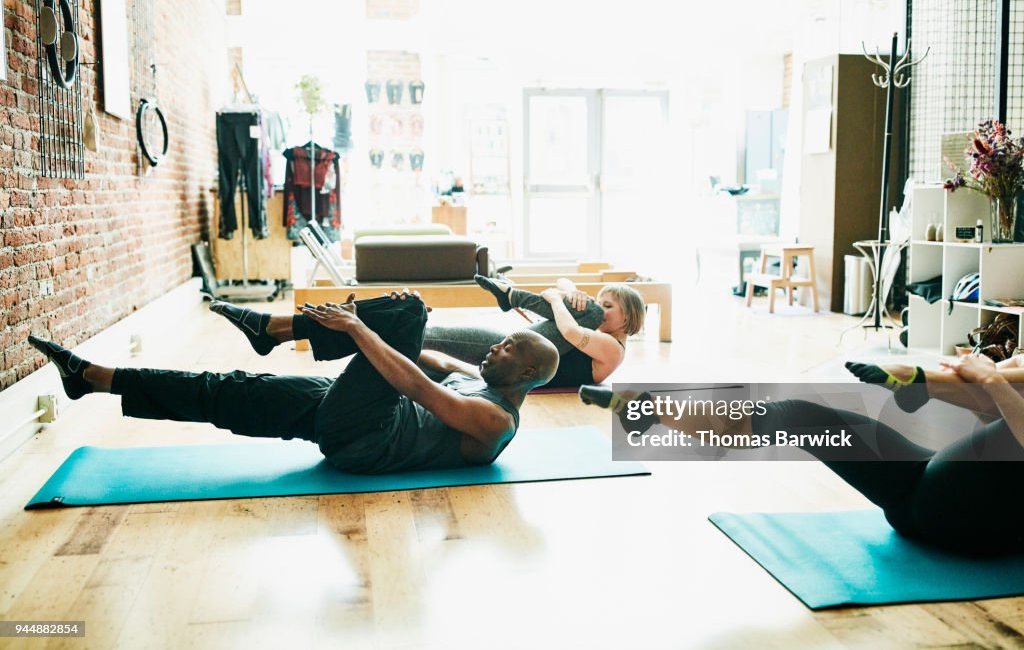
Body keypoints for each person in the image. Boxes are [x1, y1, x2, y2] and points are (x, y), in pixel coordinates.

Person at [28, 293, 559, 475]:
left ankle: (273, 329)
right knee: (228, 389)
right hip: (357, 418)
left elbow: (418, 387)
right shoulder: (478, 378)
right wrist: (370, 336)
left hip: (367, 441)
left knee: (411, 308)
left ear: (528, 375)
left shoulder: (495, 421)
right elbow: (428, 359)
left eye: (509, 348)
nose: (495, 347)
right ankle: (90, 378)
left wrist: (357, 327)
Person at [579, 352, 1024, 555]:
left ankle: (914, 381)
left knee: (795, 415)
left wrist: (991, 379)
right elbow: (995, 416)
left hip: (948, 511)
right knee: (795, 415)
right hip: (929, 485)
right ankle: (646, 409)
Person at [422, 275, 645, 388]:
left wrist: (558, 299)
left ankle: (512, 296)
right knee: (433, 336)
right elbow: (563, 280)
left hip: (517, 364)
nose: (601, 311)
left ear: (627, 316)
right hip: (518, 358)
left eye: (608, 306)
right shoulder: (600, 332)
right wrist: (572, 291)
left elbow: (569, 331)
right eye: (600, 303)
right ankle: (510, 296)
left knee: (588, 312)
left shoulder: (614, 349)